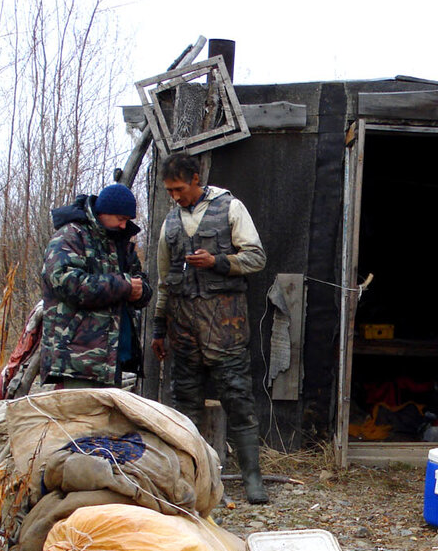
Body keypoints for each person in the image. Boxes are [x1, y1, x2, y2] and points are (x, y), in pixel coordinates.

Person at [151, 153, 269, 504]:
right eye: (169, 190)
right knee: (185, 406)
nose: (175, 196)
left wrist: (217, 262)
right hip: (184, 333)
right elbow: (163, 281)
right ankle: (191, 479)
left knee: (238, 402)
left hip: (226, 331)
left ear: (195, 179)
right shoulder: (170, 223)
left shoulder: (230, 208)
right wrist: (159, 327)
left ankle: (252, 479)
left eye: (179, 188)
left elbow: (257, 257)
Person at [38, 182, 151, 389]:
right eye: (121, 219)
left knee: (105, 420)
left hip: (111, 357)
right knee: (78, 420)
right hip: (76, 359)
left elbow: (140, 280)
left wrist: (141, 291)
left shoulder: (121, 243)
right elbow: (67, 282)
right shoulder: (71, 235)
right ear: (104, 212)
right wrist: (124, 286)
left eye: (128, 220)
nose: (124, 226)